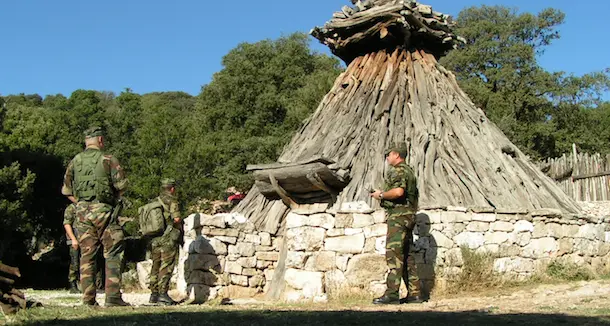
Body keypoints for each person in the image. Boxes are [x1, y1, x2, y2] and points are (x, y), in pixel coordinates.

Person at [61, 126, 130, 307]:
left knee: (87, 255)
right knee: (114, 250)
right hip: (105, 211)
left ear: (86, 142)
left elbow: (66, 190)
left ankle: (88, 299)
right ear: (100, 140)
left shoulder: (75, 161)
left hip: (83, 213)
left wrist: (81, 205)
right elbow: (122, 186)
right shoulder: (108, 159)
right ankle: (113, 297)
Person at [370, 142, 422, 304]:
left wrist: (381, 195)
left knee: (394, 255)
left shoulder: (398, 171)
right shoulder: (410, 171)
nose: (387, 157)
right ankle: (415, 294)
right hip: (409, 217)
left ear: (396, 155)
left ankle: (392, 294)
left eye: (389, 154)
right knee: (407, 256)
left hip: (399, 217)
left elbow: (399, 191)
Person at [148, 178, 182, 305]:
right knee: (166, 266)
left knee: (155, 266)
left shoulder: (155, 200)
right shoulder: (172, 200)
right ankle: (163, 293)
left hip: (155, 239)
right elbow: (177, 218)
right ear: (172, 188)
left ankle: (154, 294)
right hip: (167, 239)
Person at [63, 203, 104, 294]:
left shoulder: (90, 206)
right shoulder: (72, 208)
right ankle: (73, 285)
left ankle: (96, 285)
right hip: (75, 238)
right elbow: (67, 224)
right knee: (75, 263)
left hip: (89, 239)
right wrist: (73, 239)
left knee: (93, 261)